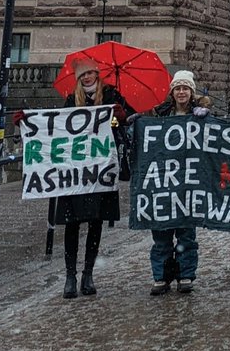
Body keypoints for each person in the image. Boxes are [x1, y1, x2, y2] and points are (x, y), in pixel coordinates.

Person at [56, 58, 132, 300]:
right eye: (83, 75)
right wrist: (28, 122)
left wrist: (117, 116)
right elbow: (57, 129)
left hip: (100, 170)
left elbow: (120, 125)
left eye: (90, 73)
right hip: (76, 172)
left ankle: (88, 274)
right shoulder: (71, 100)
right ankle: (70, 276)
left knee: (96, 222)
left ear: (98, 75)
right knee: (72, 223)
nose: (87, 78)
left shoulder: (111, 95)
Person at [148, 70, 208, 295]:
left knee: (186, 233)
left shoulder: (199, 115)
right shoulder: (159, 115)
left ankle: (185, 274)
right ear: (172, 92)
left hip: (188, 183)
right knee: (161, 233)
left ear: (191, 92)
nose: (181, 92)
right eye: (178, 88)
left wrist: (206, 119)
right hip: (162, 181)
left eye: (185, 88)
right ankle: (161, 276)